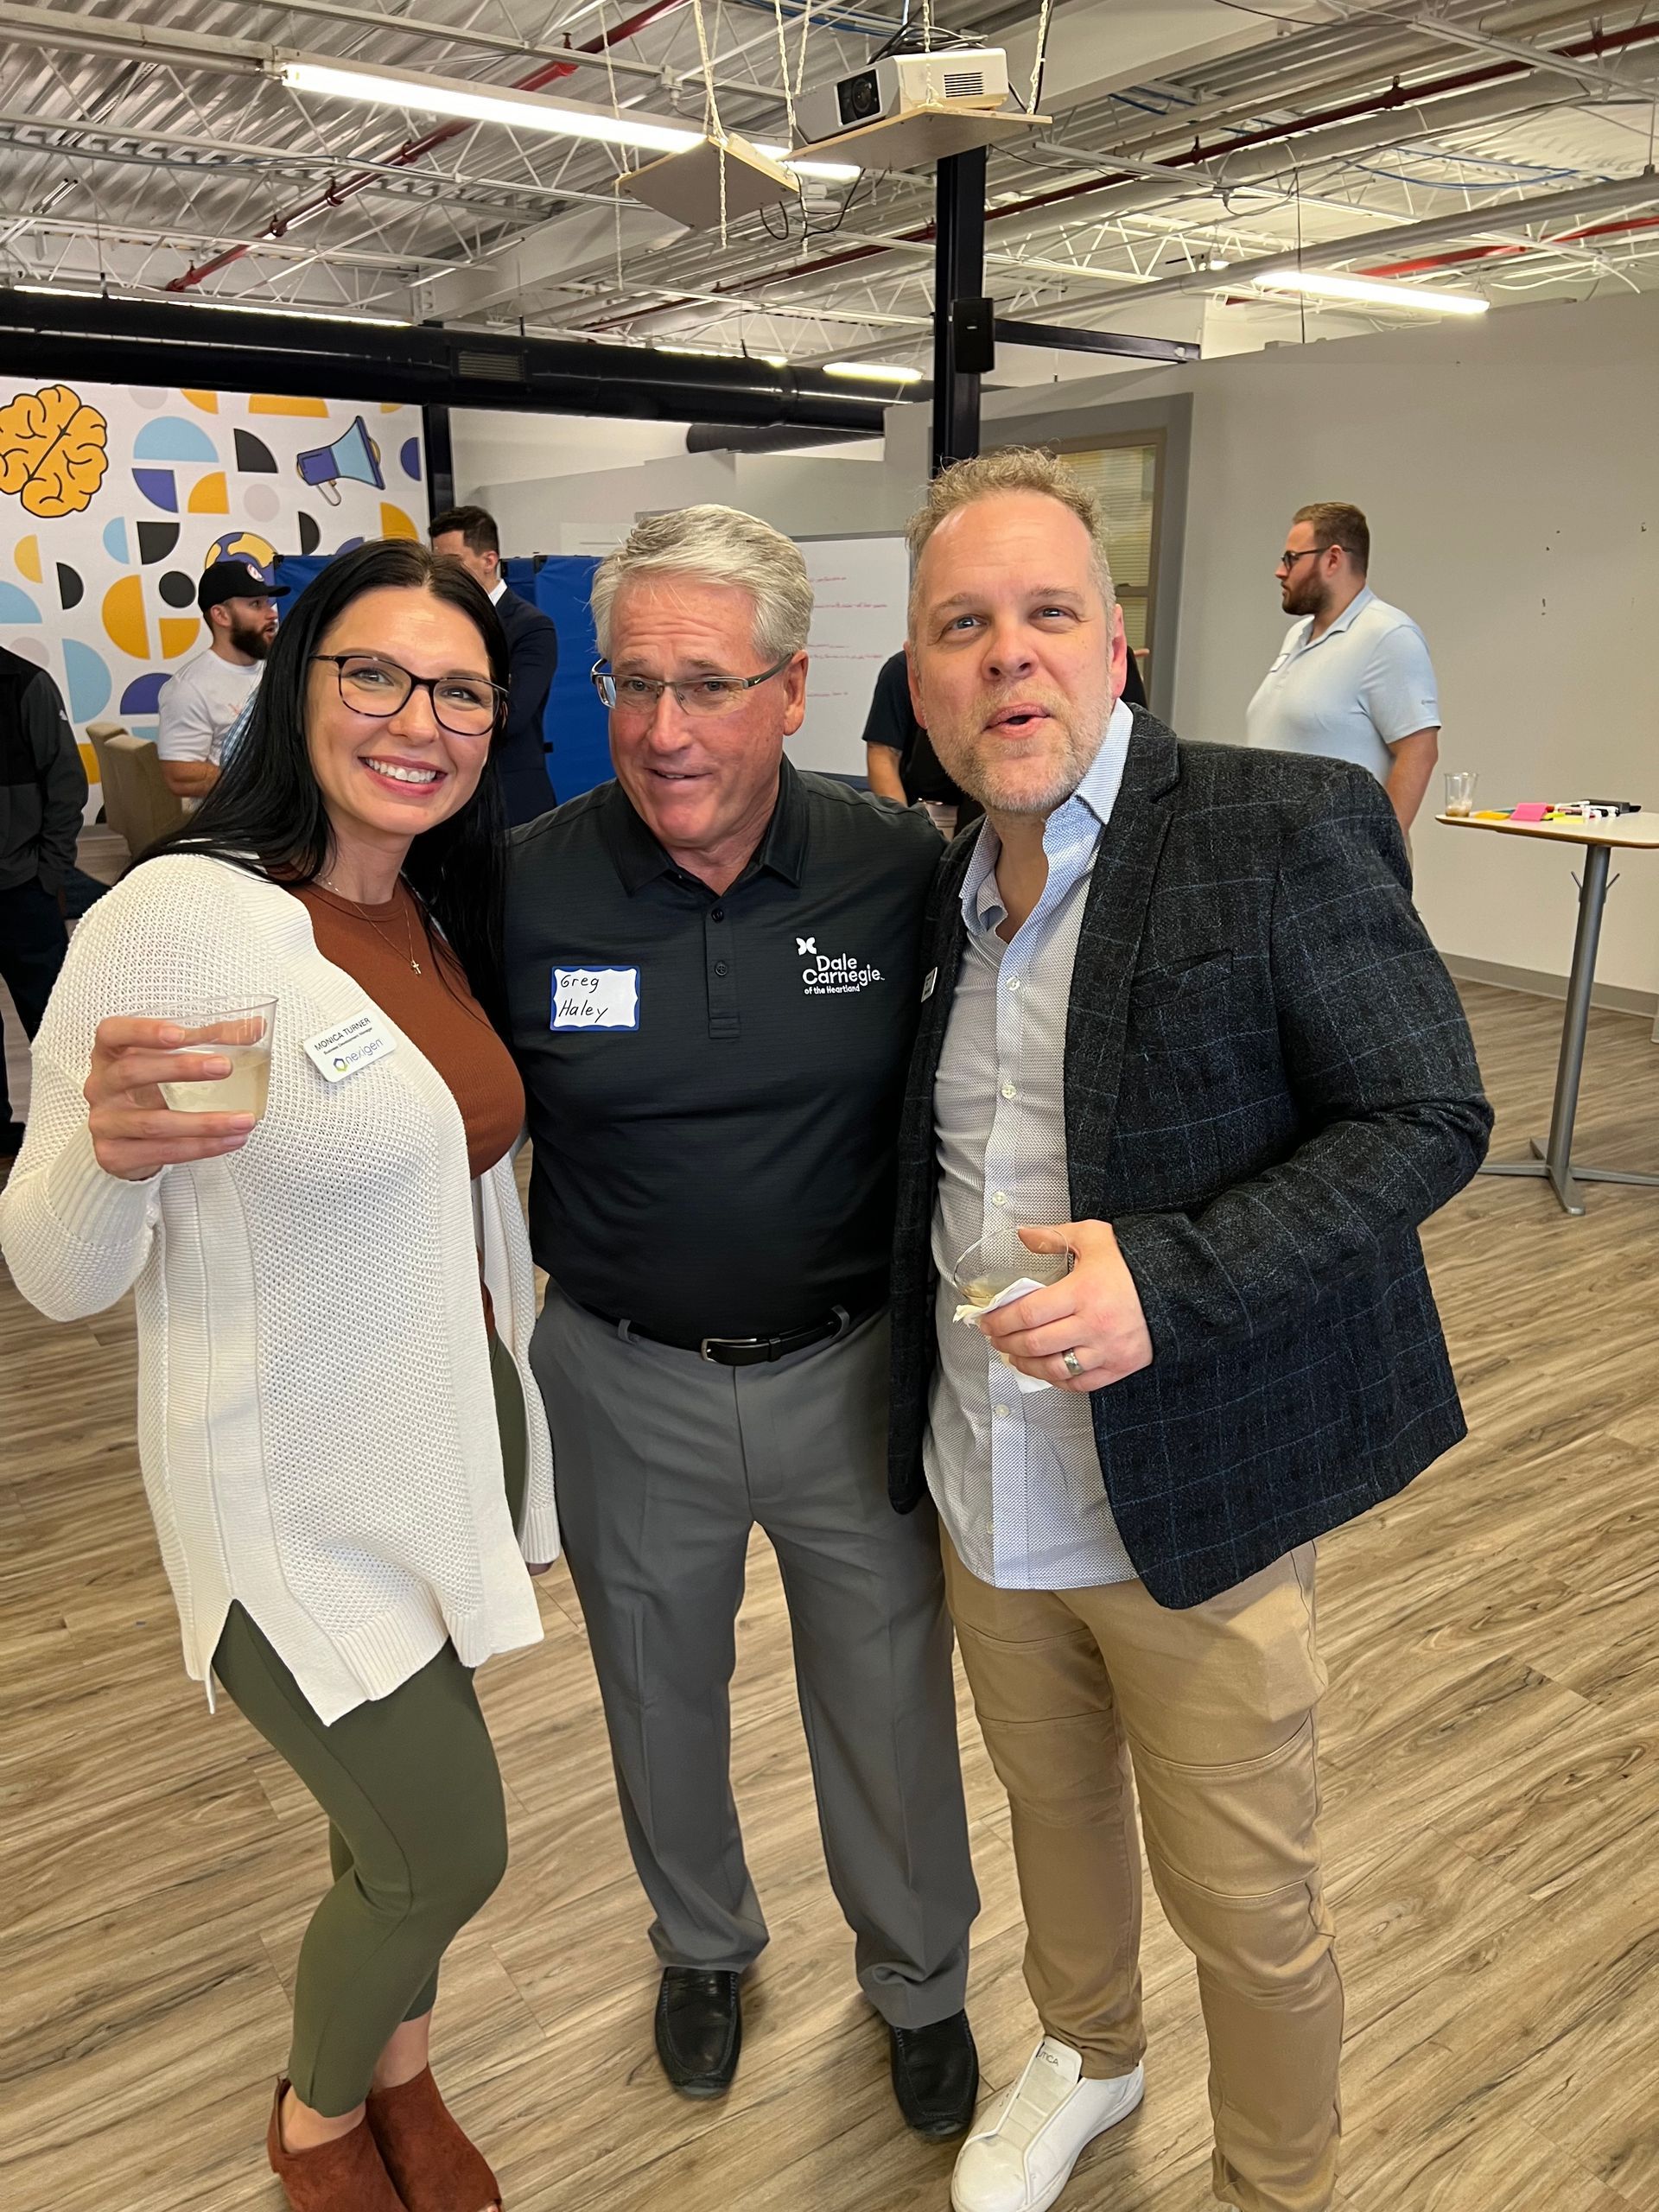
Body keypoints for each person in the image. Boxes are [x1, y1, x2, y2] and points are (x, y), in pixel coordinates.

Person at [887, 450, 1491, 2212]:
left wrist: (1172, 1275)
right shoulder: (945, 888)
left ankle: (1275, 2179)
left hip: (1199, 1510)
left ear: (1118, 644)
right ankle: (1088, 2048)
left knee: (1249, 1900)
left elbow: (1425, 1114)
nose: (1012, 658)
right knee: (1054, 1823)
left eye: (1050, 614)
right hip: (983, 1485)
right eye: (965, 627)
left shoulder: (1278, 823)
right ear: (920, 680)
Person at [0, 542, 557, 2212]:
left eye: (458, 689)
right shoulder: (181, 916)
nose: (420, 719)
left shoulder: (435, 912)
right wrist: (103, 1155)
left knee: (380, 1833)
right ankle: (316, 2119)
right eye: (372, 674)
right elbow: (54, 1272)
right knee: (447, 1843)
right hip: (286, 1488)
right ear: (292, 682)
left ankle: (403, 2070)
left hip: (444, 1452)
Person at [505, 504, 982, 2138]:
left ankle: (920, 1978)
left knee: (889, 1693)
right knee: (656, 1685)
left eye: (706, 686)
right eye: (633, 684)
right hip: (623, 1370)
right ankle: (701, 1946)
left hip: (848, 1368)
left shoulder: (899, 869)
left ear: (793, 692)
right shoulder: (526, 886)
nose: (663, 729)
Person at [1245, 502, 1440, 831]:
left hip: (1339, 864)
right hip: (1276, 855)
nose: (1281, 570)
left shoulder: (1387, 635)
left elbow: (1419, 752)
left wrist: (1377, 850)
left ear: (1333, 559)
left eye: (1292, 558)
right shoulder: (1298, 635)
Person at [0, 647, 86, 1157]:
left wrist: (47, 872)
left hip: (22, 891)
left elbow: (66, 783)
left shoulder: (25, 684)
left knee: (52, 1019)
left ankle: (72, 1127)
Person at [430, 505, 560, 824]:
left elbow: (511, 715)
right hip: (448, 794)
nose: (441, 573)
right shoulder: (439, 623)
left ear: (489, 561)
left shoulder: (530, 626)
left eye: (452, 563)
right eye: (436, 563)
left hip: (510, 795)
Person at [156, 559, 287, 804]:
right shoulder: (189, 688)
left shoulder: (279, 670)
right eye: (256, 604)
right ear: (221, 615)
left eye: (268, 603)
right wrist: (267, 784)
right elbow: (179, 775)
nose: (271, 614)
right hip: (240, 824)